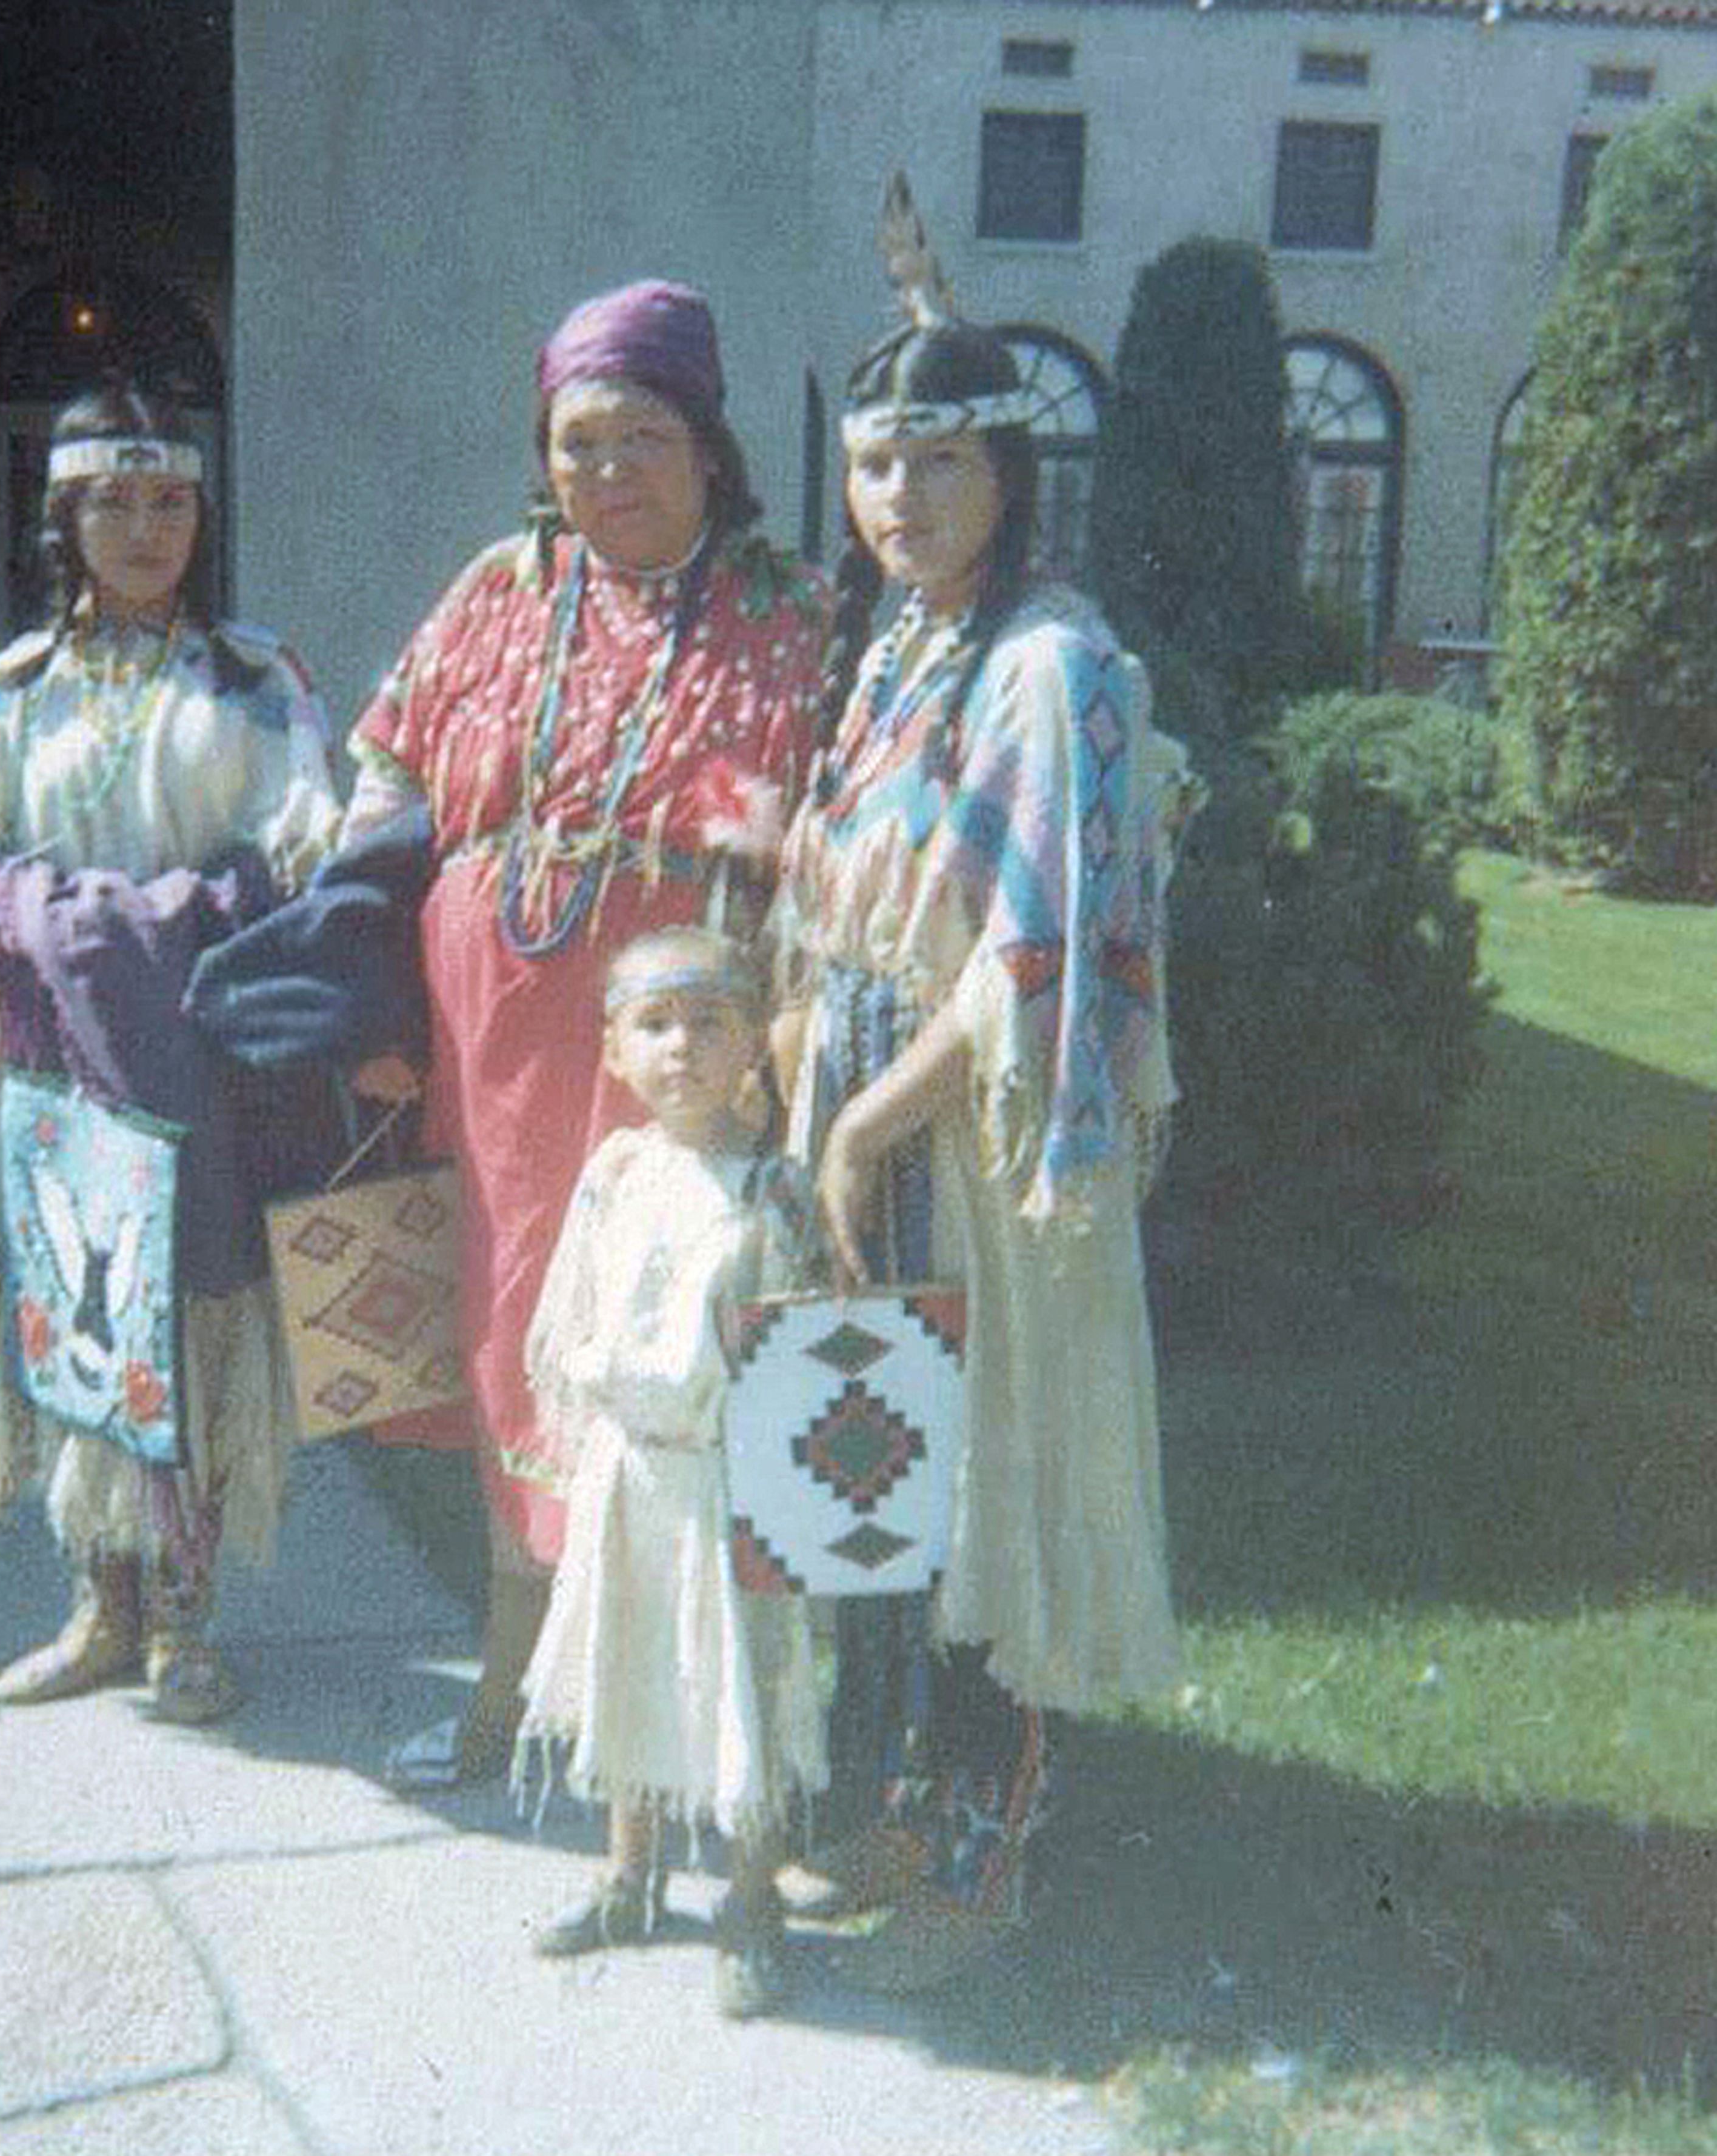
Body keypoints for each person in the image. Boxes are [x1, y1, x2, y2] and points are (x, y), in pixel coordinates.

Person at [340, 281, 830, 1786]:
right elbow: (383, 780)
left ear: (707, 442)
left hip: (675, 1052)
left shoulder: (789, 606)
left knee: (661, 1341)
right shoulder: (502, 588)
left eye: (641, 436)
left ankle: (670, 1728)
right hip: (489, 1050)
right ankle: (509, 1693)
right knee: (511, 1340)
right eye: (577, 442)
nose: (606, 471)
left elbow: (823, 849)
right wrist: (366, 986)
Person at [771, 256, 1193, 1967]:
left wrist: (864, 1125)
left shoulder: (1050, 665)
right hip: (865, 1095)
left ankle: (983, 1846)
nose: (900, 501)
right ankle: (896, 1800)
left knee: (979, 1482)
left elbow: (1032, 957)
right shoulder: (902, 650)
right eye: (876, 465)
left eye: (939, 464)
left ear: (1011, 476)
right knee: (876, 1464)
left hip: (973, 1134)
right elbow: (843, 904)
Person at [0, 383, 340, 1721]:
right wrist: (41, 916)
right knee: (71, 1307)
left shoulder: (255, 679)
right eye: (113, 502)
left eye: (170, 500)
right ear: (63, 518)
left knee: (192, 1315)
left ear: (205, 511)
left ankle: (186, 1617)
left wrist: (138, 922)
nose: (145, 529)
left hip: (196, 1047)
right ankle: (101, 1604)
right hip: (42, 1053)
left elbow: (304, 847)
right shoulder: (12, 692)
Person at [515, 926, 826, 2020]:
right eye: (654, 1024)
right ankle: (629, 1874)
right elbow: (574, 1314)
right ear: (613, 1050)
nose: (681, 1048)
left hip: (726, 1485)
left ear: (754, 1045)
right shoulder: (618, 1171)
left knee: (738, 1684)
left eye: (708, 1023)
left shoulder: (773, 1189)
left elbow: (803, 1353)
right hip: (630, 1472)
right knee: (629, 1660)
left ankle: (750, 1899)